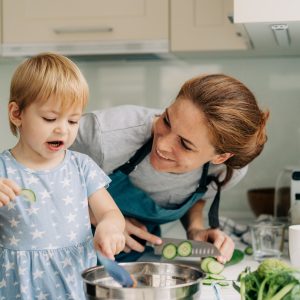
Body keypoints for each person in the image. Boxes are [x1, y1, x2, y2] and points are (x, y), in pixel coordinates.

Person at [71, 74, 269, 264]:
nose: (162, 145)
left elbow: (192, 194)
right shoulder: (101, 135)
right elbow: (39, 173)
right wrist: (98, 215)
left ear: (221, 157)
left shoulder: (225, 172)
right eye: (166, 120)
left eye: (185, 144)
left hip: (129, 258)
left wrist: (195, 229)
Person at [0, 53, 125, 299]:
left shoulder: (82, 167)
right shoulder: (3, 171)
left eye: (73, 120)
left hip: (75, 284)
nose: (62, 129)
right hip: (18, 288)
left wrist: (109, 228)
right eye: (50, 118)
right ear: (17, 114)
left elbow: (110, 213)